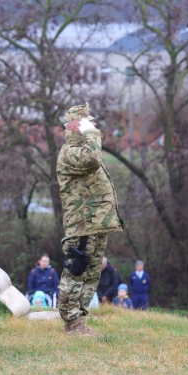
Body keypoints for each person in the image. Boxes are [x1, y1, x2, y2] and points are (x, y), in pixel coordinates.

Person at [56, 103, 124, 336]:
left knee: (91, 275)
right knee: (76, 272)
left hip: (95, 224)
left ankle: (80, 321)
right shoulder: (71, 152)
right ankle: (71, 322)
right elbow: (93, 159)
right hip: (82, 225)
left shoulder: (83, 149)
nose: (94, 126)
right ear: (76, 126)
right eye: (88, 122)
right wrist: (92, 133)